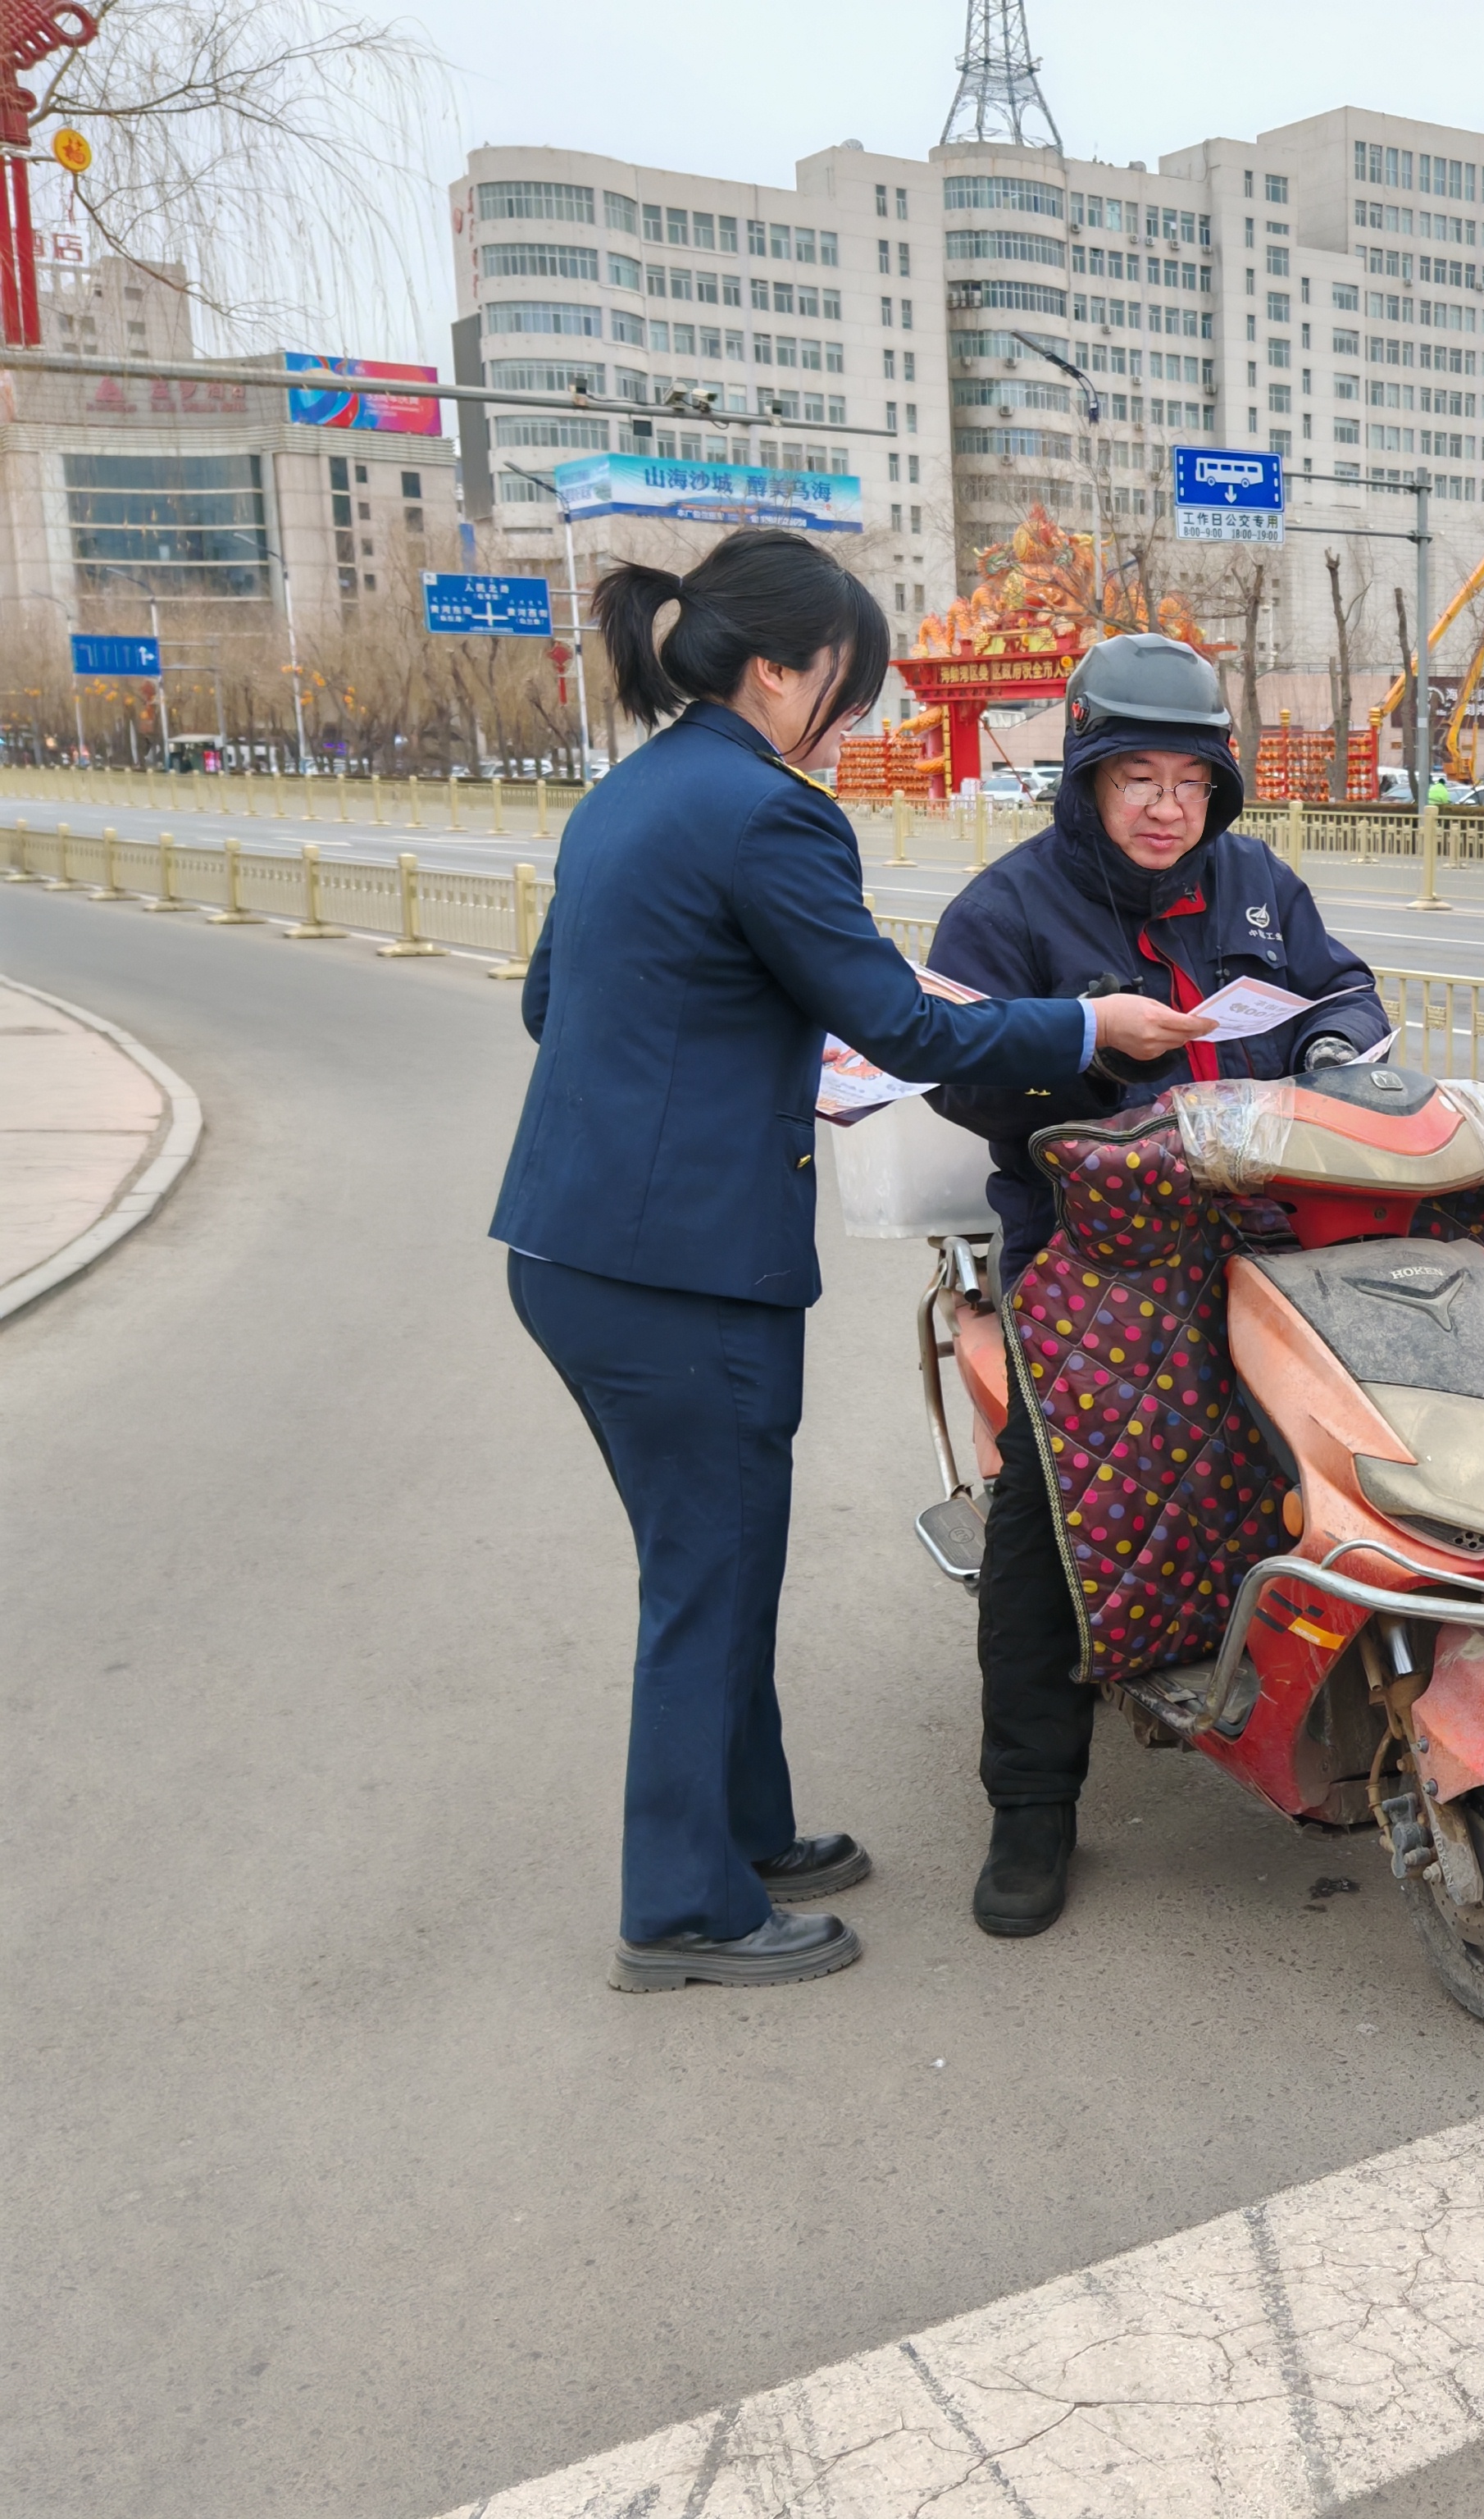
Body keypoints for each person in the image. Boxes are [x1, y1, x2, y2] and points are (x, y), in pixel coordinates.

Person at [493, 527, 1180, 1993]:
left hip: (574, 1247)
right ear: (778, 668)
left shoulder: (626, 795)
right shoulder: (767, 814)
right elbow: (910, 1027)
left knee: (714, 1561)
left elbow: (557, 1003)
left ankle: (750, 1829)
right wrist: (1084, 1027)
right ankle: (682, 1907)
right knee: (708, 1573)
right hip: (681, 1270)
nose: (852, 719)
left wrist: (727, 1048)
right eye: (846, 689)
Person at [926, 631, 1382, 1938]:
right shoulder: (1007, 909)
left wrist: (1341, 1038)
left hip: (1260, 1221)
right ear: (1085, 778)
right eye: (1138, 779)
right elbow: (953, 1065)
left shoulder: (1255, 884)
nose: (1168, 806)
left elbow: (1337, 985)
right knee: (1048, 1512)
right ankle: (1030, 1809)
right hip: (1090, 1249)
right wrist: (1091, 1060)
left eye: (1191, 781)